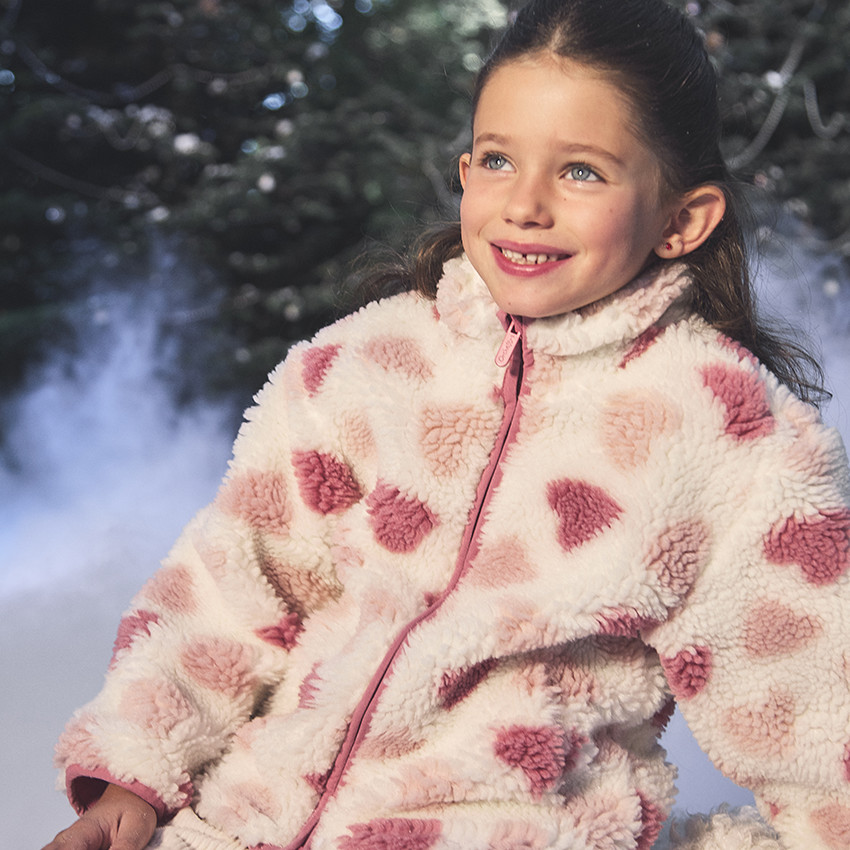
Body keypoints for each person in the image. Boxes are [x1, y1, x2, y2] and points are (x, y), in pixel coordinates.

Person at [43, 0, 850, 848]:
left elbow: (813, 718)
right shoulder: (367, 366)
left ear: (682, 219)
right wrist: (131, 773)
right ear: (466, 171)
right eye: (499, 159)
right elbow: (233, 588)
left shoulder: (726, 434)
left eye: (581, 171)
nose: (526, 205)